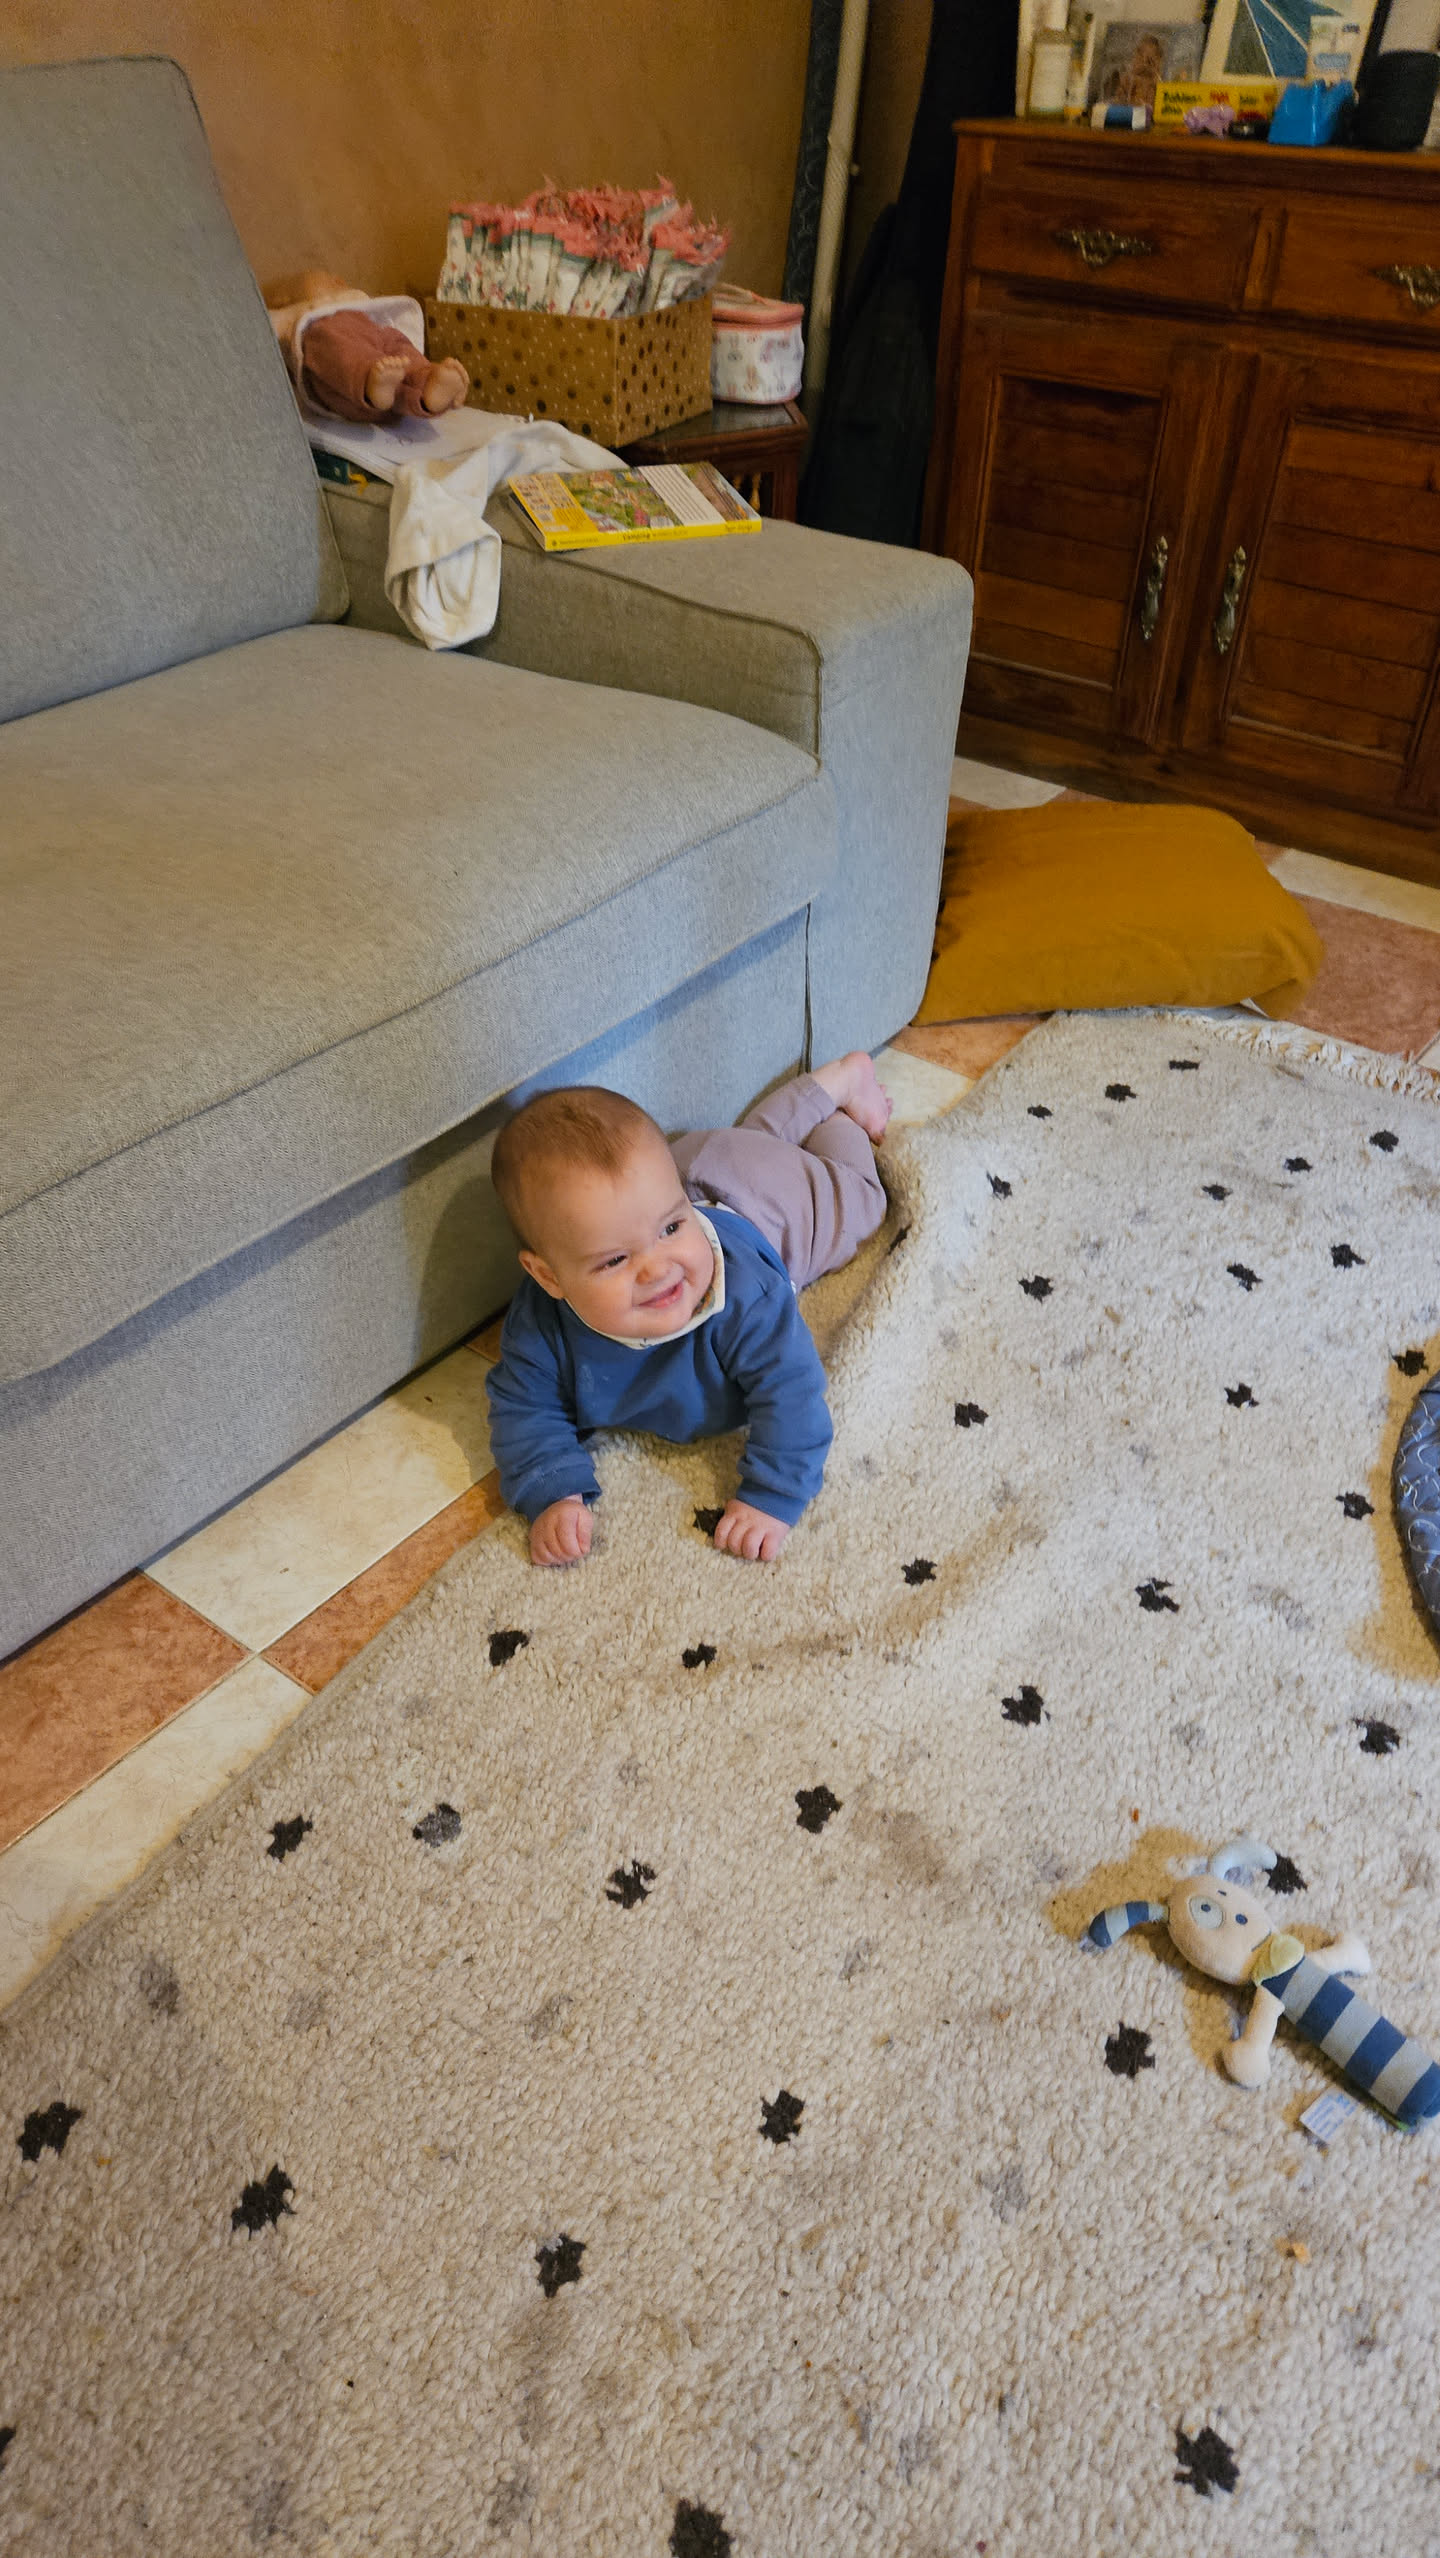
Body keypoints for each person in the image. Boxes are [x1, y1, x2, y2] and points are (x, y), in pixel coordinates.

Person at [485, 1055, 891, 1566]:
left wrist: (772, 1496)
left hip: (770, 1203)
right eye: (615, 1259)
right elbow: (522, 1409)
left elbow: (793, 1393)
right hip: (700, 1167)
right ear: (547, 1276)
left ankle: (842, 1102)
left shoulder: (745, 1294)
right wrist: (553, 1493)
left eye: (671, 1229)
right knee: (753, 1140)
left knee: (861, 1202)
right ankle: (826, 1087)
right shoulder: (539, 1327)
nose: (659, 1269)